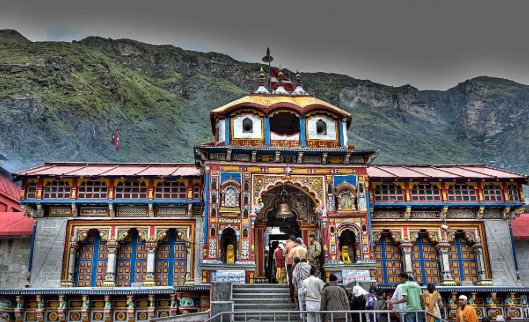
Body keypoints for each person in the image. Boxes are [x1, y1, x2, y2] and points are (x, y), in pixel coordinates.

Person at [285, 235, 299, 301]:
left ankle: (291, 290)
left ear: (290, 239)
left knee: (290, 276)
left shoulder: (288, 244)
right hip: (296, 262)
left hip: (289, 262)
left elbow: (284, 252)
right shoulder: (297, 244)